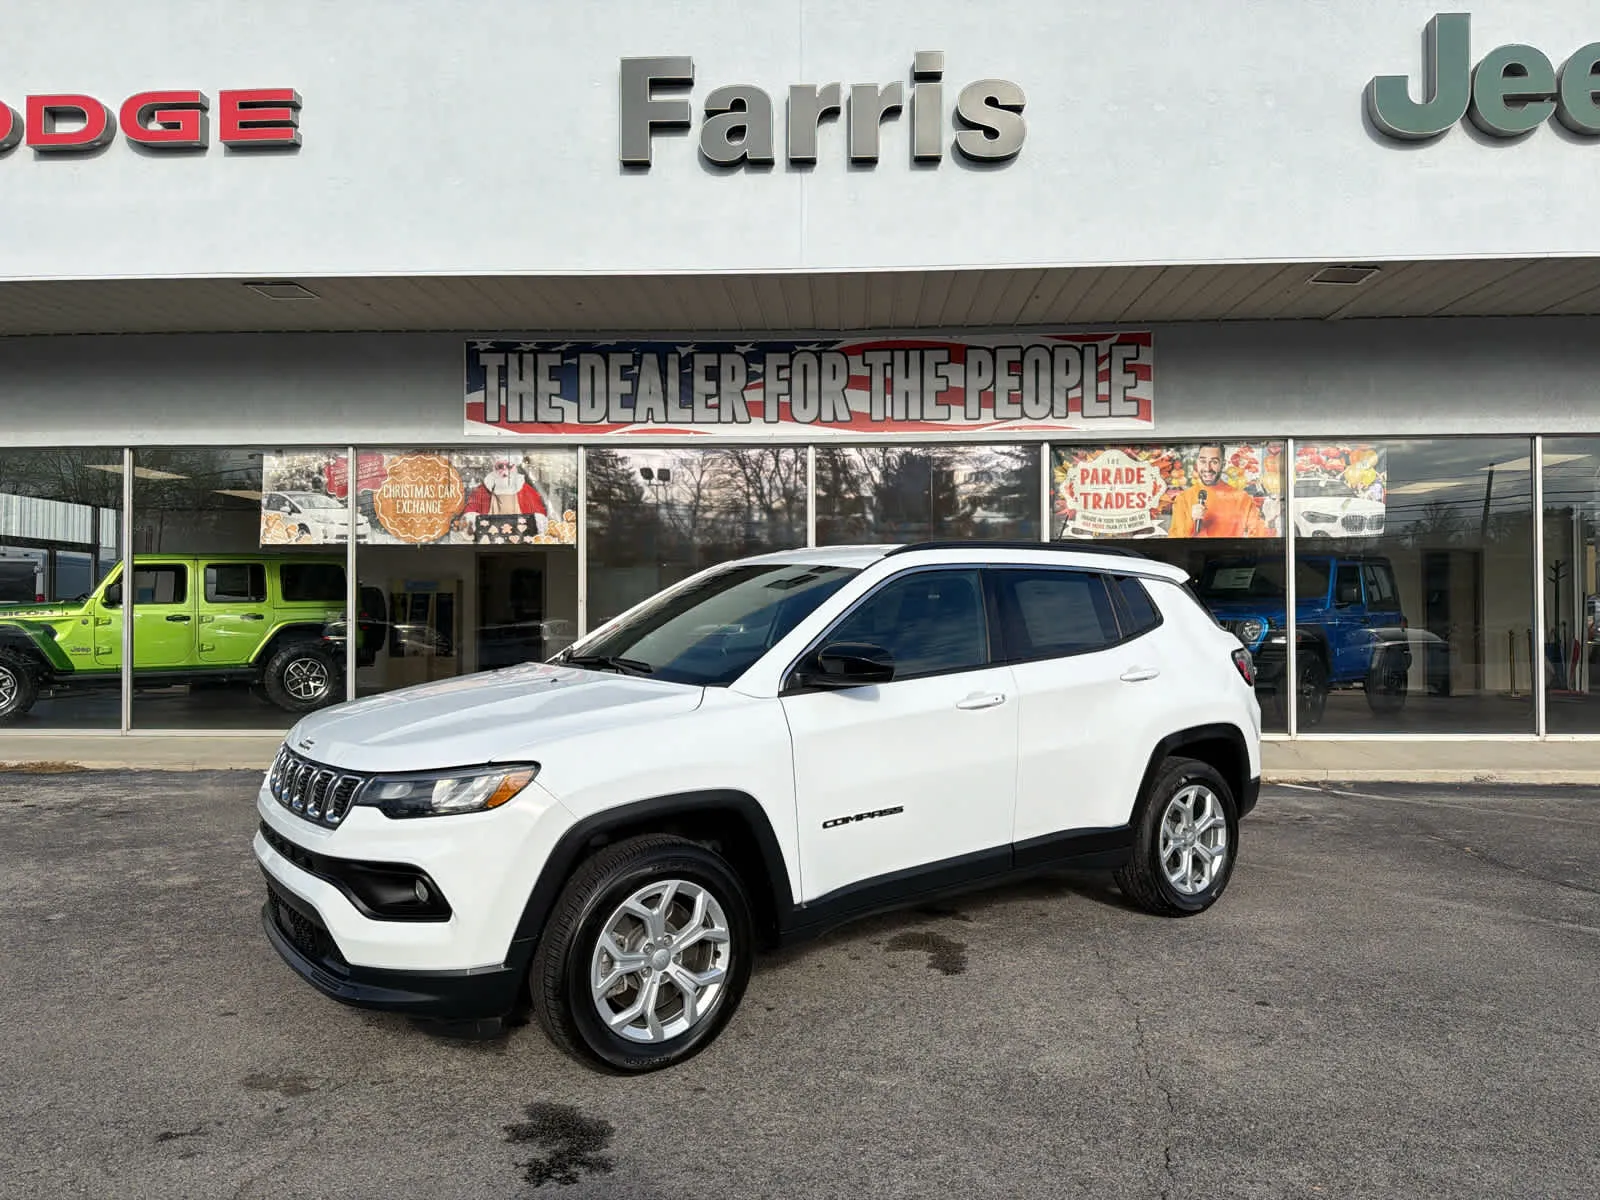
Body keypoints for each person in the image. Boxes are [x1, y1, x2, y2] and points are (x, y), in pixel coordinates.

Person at [1167, 444, 1271, 538]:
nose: (1207, 468)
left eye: (1214, 462)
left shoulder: (1241, 498)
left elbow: (1260, 533)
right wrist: (1191, 520)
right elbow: (1174, 542)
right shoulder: (1183, 499)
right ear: (1197, 463)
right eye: (1203, 461)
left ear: (1223, 464)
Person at [463, 455, 549, 532]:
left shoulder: (526, 490)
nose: (505, 472)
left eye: (509, 466)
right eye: (500, 466)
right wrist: (472, 519)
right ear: (494, 468)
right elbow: (470, 512)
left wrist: (538, 520)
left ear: (515, 467)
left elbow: (539, 515)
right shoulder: (483, 490)